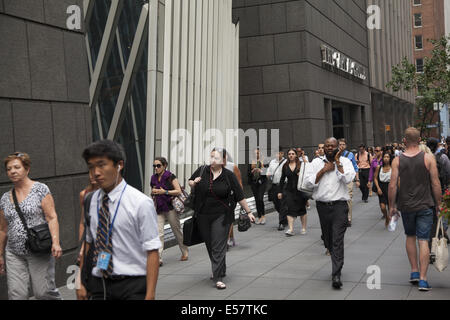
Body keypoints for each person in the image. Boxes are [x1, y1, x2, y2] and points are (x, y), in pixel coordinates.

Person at [77, 140, 161, 300]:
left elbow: (152, 251)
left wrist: (150, 295)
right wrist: (80, 282)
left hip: (132, 285)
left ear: (119, 165)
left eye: (102, 165)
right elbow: (87, 244)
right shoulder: (90, 200)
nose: (96, 172)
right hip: (99, 284)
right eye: (91, 166)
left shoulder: (140, 203)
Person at [188, 148, 256, 290]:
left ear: (223, 161)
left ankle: (217, 277)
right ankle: (221, 269)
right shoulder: (202, 170)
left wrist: (249, 212)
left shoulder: (229, 175)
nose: (212, 160)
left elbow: (240, 195)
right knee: (210, 245)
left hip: (222, 215)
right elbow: (190, 181)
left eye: (216, 158)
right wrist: (193, 183)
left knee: (218, 245)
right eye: (211, 157)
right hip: (203, 215)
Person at [0, 152, 63, 300]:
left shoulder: (40, 189)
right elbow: (2, 229)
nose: (12, 171)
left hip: (39, 249)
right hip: (14, 253)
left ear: (27, 169)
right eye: (9, 169)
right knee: (17, 295)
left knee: (44, 293)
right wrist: (0, 254)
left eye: (17, 167)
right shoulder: (4, 198)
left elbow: (52, 217)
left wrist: (56, 242)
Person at [388, 128, 441, 292]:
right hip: (425, 204)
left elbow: (392, 185)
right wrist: (439, 204)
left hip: (406, 206)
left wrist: (391, 206)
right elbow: (435, 183)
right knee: (423, 240)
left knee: (410, 236)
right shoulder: (428, 158)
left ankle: (414, 272)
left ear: (404, 141)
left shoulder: (397, 160)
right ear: (420, 141)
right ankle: (424, 280)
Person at [306, 138, 356, 289]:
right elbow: (309, 183)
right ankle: (333, 254)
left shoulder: (345, 161)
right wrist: (323, 170)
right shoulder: (315, 163)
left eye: (332, 146)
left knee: (337, 239)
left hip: (340, 206)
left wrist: (337, 163)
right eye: (326, 145)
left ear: (337, 148)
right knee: (328, 240)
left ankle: (336, 273)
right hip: (322, 206)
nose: (329, 148)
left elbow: (348, 178)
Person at [151, 157, 188, 266]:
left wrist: (165, 191)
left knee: (176, 231)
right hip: (159, 207)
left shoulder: (170, 176)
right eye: (154, 166)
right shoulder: (153, 177)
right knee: (159, 233)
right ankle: (158, 258)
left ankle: (184, 251)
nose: (156, 168)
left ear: (164, 166)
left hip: (170, 207)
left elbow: (178, 191)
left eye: (158, 166)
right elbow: (153, 189)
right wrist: (154, 191)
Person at [278, 148, 308, 236]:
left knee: (302, 209)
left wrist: (301, 174)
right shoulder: (285, 166)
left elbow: (308, 175)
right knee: (289, 209)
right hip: (289, 190)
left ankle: (303, 228)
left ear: (296, 155)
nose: (291, 155)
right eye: (289, 154)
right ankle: (291, 229)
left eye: (293, 154)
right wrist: (280, 192)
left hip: (300, 190)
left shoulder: (301, 164)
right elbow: (282, 179)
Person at [338, 139, 359, 227]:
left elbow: (355, 167)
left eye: (343, 144)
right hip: (339, 179)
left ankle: (349, 218)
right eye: (340, 144)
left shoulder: (350, 155)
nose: (341, 146)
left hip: (349, 179)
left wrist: (357, 179)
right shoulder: (336, 155)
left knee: (349, 197)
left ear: (345, 146)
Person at [224, 152, 243, 249]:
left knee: (228, 217)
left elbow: (239, 183)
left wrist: (240, 198)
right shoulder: (212, 167)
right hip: (219, 198)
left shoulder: (232, 167)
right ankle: (231, 237)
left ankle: (226, 240)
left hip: (231, 196)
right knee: (226, 218)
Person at [267, 149, 288, 231]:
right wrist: (268, 175)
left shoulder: (286, 162)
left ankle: (281, 223)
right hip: (274, 185)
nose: (277, 154)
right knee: (276, 204)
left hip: (283, 185)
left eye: (278, 153)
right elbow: (268, 172)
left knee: (282, 203)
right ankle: (285, 217)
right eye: (275, 153)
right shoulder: (272, 162)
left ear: (282, 153)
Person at [248, 148, 267, 225]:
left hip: (262, 182)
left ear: (260, 153)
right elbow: (247, 173)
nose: (256, 154)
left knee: (260, 198)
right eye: (255, 153)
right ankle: (259, 217)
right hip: (254, 183)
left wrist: (261, 171)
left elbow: (267, 172)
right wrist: (252, 171)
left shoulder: (264, 161)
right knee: (257, 200)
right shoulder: (251, 161)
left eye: (258, 153)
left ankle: (263, 216)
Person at [373, 152, 393, 228]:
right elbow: (375, 178)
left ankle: (390, 219)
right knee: (382, 207)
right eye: (385, 157)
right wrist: (378, 188)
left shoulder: (393, 168)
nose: (386, 158)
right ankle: (386, 217)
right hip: (381, 187)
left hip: (390, 187)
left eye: (388, 157)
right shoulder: (379, 167)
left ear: (390, 158)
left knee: (390, 206)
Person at [368, 146, 384, 217]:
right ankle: (384, 211)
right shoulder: (373, 161)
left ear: (381, 151)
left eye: (378, 150)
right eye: (375, 150)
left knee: (387, 197)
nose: (376, 152)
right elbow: (371, 171)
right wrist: (369, 181)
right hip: (377, 181)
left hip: (385, 181)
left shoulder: (385, 159)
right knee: (381, 197)